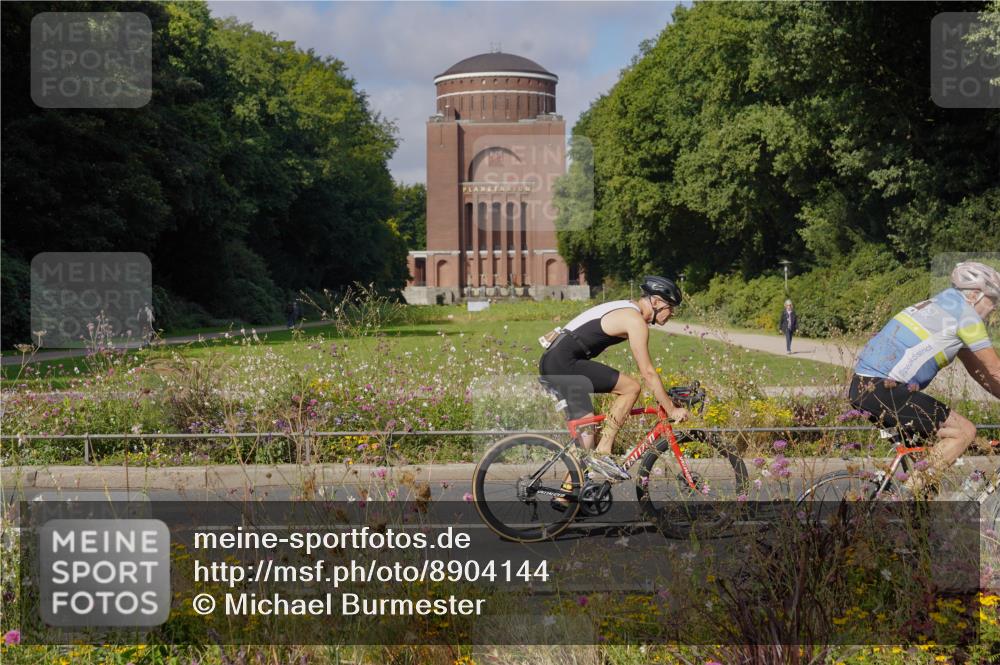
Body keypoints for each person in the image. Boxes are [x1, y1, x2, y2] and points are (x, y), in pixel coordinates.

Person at [850, 261, 1000, 496]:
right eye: (992, 299)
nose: (994, 307)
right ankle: (901, 505)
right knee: (964, 432)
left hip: (869, 387)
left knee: (928, 482)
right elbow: (995, 370)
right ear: (974, 294)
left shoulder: (943, 307)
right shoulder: (966, 317)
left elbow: (980, 371)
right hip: (885, 390)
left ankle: (908, 520)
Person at [538, 275, 691, 489]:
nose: (672, 313)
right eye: (670, 307)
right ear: (655, 302)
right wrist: (671, 409)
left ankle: (568, 494)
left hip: (556, 361)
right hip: (564, 363)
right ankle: (604, 451)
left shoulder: (626, 307)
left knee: (587, 431)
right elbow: (647, 372)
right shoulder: (635, 320)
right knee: (631, 387)